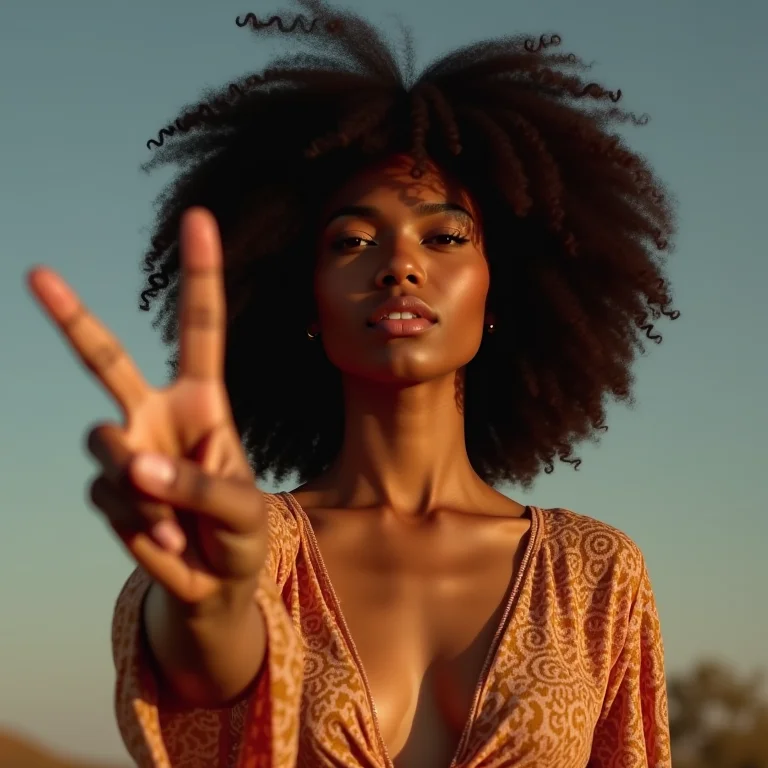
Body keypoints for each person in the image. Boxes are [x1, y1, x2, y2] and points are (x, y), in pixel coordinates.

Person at [28, 1, 679, 766]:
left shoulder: (596, 575)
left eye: (443, 237)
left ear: (500, 293)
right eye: (354, 240)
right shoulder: (253, 543)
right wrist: (216, 602)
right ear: (306, 299)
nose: (399, 266)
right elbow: (206, 657)